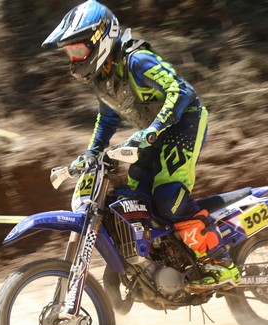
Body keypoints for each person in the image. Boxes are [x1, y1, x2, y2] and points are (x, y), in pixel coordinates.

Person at [41, 0, 240, 288]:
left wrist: (155, 129)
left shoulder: (137, 60)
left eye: (78, 50)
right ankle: (162, 259)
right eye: (70, 53)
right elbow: (107, 118)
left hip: (184, 122)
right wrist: (91, 153)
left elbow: (180, 91)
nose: (74, 59)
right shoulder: (103, 78)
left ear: (100, 38)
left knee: (168, 197)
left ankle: (220, 262)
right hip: (152, 134)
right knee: (133, 200)